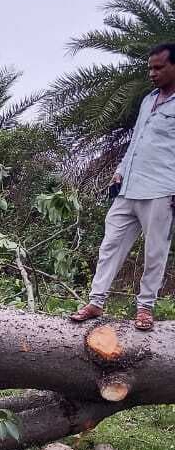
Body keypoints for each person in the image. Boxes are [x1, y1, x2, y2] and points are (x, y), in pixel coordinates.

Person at [71, 43, 175, 332]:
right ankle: (96, 301)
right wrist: (119, 172)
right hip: (129, 186)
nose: (152, 73)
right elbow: (136, 142)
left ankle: (145, 308)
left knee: (155, 252)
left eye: (158, 68)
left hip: (162, 189)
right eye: (150, 68)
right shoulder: (148, 100)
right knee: (111, 244)